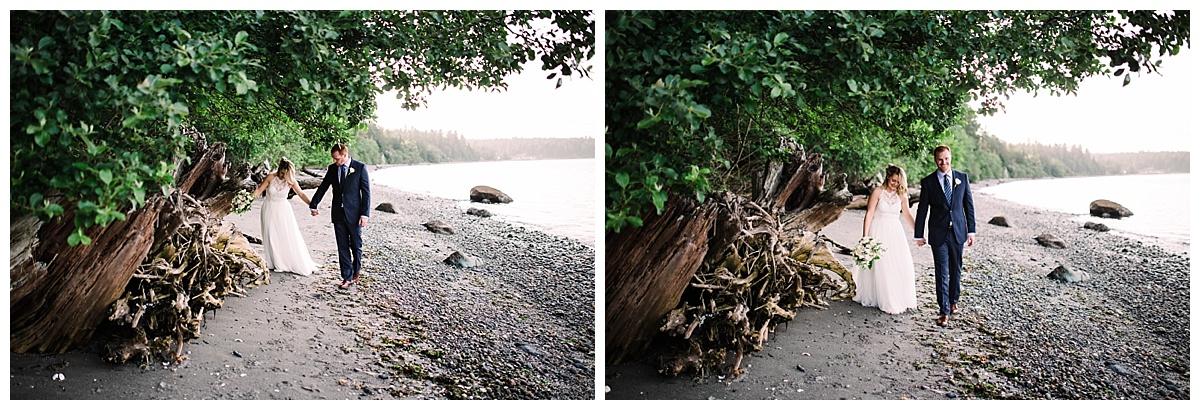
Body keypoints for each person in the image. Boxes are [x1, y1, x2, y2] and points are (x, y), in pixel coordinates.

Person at [914, 145, 976, 327]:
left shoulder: (962, 178)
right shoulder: (928, 182)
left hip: (958, 231)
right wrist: (919, 234)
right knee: (942, 271)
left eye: (947, 159)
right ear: (935, 160)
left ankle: (953, 301)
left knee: (956, 268)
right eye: (940, 159)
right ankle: (944, 311)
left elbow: (968, 206)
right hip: (938, 233)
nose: (944, 162)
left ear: (951, 157)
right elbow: (922, 209)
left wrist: (971, 231)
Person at [853, 165, 918, 315]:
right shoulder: (877, 192)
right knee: (880, 264)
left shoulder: (902, 195)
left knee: (895, 264)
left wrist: (918, 232)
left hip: (895, 232)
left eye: (898, 181)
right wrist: (865, 236)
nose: (894, 183)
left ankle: (894, 297)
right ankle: (883, 298)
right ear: (888, 177)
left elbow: (907, 215)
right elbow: (869, 213)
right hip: (878, 229)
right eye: (893, 180)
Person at [309, 142, 371, 289]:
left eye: (337, 159)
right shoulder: (332, 169)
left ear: (344, 155)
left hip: (355, 214)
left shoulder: (360, 167)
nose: (335, 161)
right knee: (342, 246)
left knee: (356, 246)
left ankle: (356, 271)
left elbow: (366, 192)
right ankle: (346, 277)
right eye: (334, 159)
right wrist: (314, 204)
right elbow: (323, 187)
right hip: (338, 214)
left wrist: (365, 214)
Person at [252, 157, 318, 276]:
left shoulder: (290, 180)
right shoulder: (271, 177)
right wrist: (245, 200)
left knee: (285, 234)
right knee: (271, 235)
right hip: (269, 208)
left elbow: (301, 194)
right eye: (282, 173)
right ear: (279, 168)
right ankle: (275, 262)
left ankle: (285, 261)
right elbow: (259, 190)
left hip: (283, 210)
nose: (283, 176)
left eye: (286, 174)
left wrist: (312, 205)